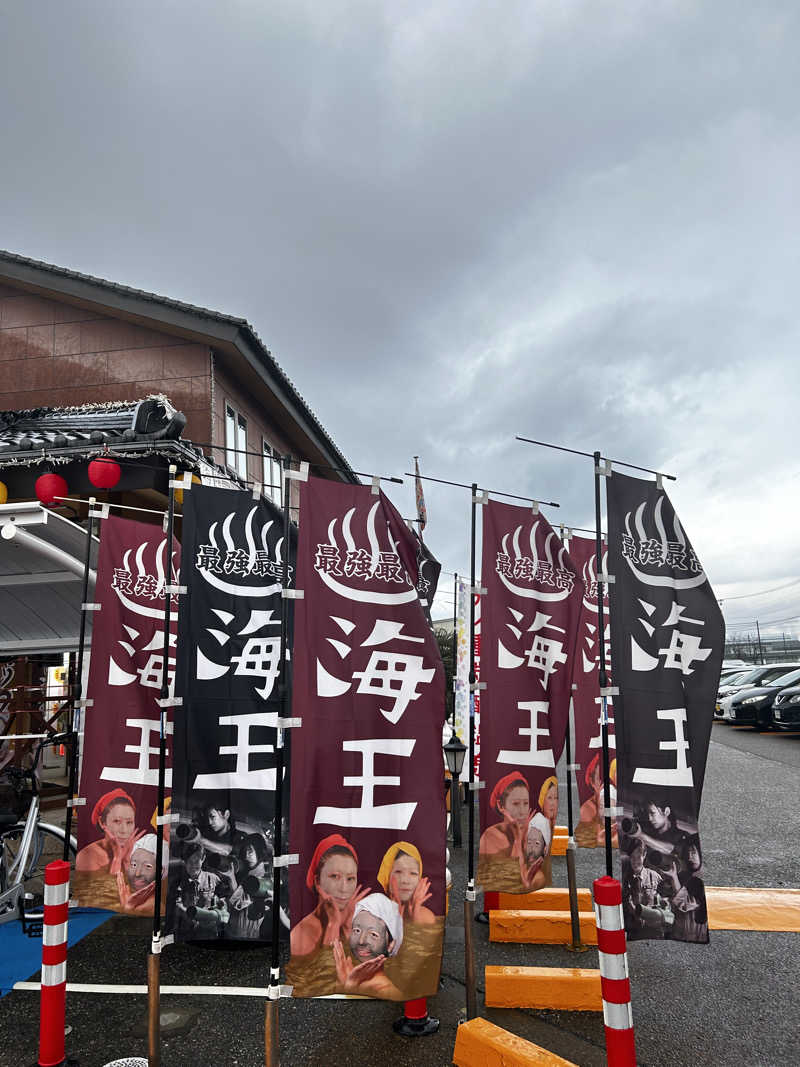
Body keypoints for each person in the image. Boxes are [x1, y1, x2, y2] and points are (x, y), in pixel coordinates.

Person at [290, 834, 369, 957]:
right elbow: (326, 974)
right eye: (335, 876)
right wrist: (333, 927)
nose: (344, 889)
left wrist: (348, 929)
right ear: (317, 881)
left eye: (350, 878)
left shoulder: (364, 925)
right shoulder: (301, 935)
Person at [478, 771, 544, 891]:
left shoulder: (532, 833)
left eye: (526, 803)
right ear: (500, 805)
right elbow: (509, 880)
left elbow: (537, 876)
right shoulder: (491, 836)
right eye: (516, 804)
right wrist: (518, 840)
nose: (522, 811)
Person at [332, 893, 403, 998]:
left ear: (390, 945)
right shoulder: (350, 979)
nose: (361, 941)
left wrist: (350, 988)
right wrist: (345, 985)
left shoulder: (389, 992)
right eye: (357, 930)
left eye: (373, 934)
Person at [76, 788, 143, 874]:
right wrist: (117, 859)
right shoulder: (87, 856)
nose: (124, 830)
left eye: (129, 822)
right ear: (102, 822)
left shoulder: (140, 852)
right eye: (117, 821)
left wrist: (126, 862)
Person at [171, 841, 229, 937]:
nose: (193, 865)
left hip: (209, 932)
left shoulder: (213, 879)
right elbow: (177, 905)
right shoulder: (177, 882)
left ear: (203, 859)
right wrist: (191, 917)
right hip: (186, 932)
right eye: (189, 861)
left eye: (196, 861)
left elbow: (224, 902)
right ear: (184, 862)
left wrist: (220, 908)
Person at [224, 833, 272, 939]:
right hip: (233, 930)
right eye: (245, 851)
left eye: (250, 851)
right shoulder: (248, 872)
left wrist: (231, 877)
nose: (246, 855)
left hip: (244, 935)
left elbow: (238, 902)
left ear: (259, 851)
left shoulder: (261, 877)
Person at [621, 840, 672, 938]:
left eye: (638, 857)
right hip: (634, 932)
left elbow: (667, 903)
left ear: (644, 856)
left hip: (655, 932)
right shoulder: (625, 879)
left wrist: (664, 906)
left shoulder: (655, 876)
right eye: (632, 857)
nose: (635, 861)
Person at [663, 835, 708, 943]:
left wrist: (674, 877)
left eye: (693, 852)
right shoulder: (690, 877)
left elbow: (685, 903)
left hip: (697, 934)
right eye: (687, 854)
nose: (689, 857)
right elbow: (682, 902)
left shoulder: (700, 878)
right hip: (684, 934)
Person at [377, 842, 436, 925]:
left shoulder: (426, 917)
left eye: (413, 873)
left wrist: (416, 915)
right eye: (398, 872)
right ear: (386, 876)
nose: (405, 880)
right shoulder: (374, 913)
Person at [116, 833, 168, 915]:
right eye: (134, 865)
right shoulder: (133, 900)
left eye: (147, 866)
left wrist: (128, 907)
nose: (137, 873)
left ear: (161, 871)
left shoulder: (151, 907)